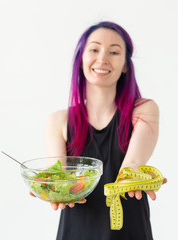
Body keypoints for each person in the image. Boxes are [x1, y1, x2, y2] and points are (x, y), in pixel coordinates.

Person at [43, 21, 167, 240]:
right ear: (81, 58)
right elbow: (57, 177)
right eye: (94, 49)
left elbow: (132, 165)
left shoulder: (144, 110)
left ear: (126, 65)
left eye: (114, 52)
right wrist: (48, 187)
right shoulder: (58, 120)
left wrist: (133, 178)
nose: (102, 59)